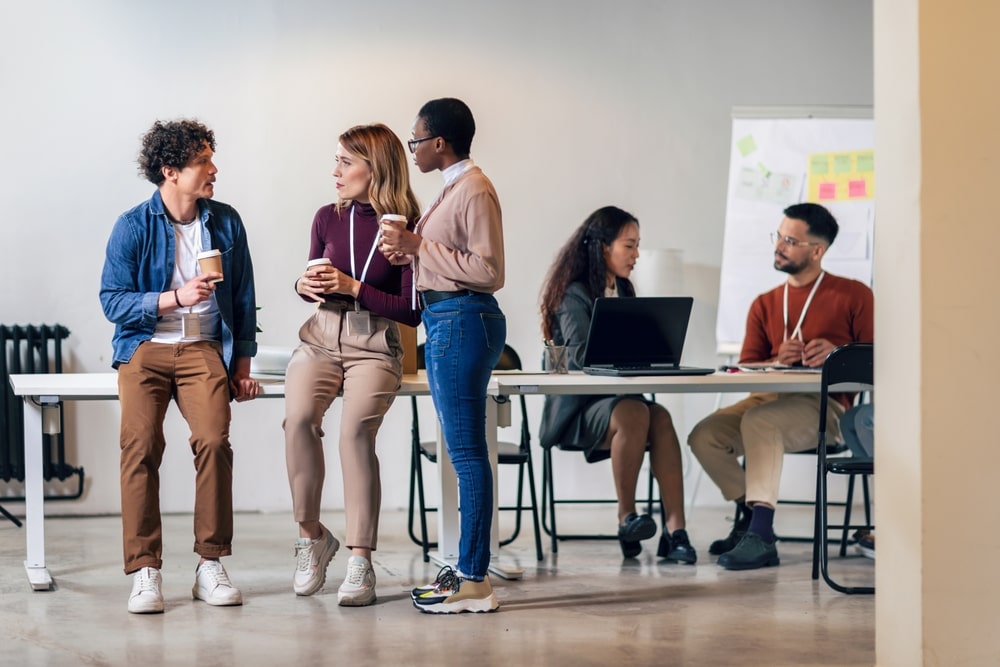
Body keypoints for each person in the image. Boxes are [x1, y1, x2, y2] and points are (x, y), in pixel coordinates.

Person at [100, 119, 259, 613]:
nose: (214, 169)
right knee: (140, 445)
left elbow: (244, 298)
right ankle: (145, 569)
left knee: (214, 440)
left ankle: (209, 563)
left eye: (211, 158)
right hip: (145, 347)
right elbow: (112, 301)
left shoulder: (227, 222)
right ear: (170, 170)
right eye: (203, 162)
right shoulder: (132, 225)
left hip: (204, 349)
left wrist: (242, 366)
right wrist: (174, 298)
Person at [688, 202, 873, 571]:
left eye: (790, 240)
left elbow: (878, 362)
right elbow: (746, 366)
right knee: (704, 435)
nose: (779, 246)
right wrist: (776, 360)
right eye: (779, 236)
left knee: (761, 422)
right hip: (766, 397)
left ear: (817, 251)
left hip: (826, 405)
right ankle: (751, 518)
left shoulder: (854, 296)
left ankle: (762, 536)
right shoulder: (765, 303)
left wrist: (838, 354)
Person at [283, 123, 422, 605]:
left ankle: (360, 561)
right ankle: (312, 537)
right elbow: (308, 277)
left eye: (346, 161)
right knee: (298, 419)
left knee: (354, 434)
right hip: (321, 336)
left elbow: (411, 309)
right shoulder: (325, 217)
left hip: (375, 343)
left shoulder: (405, 224)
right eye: (336, 160)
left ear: (375, 167)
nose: (335, 171)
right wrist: (307, 286)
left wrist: (354, 288)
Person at [379, 97, 505, 614]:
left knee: (467, 454)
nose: (410, 149)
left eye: (415, 140)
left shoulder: (474, 188)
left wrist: (417, 246)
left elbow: (489, 270)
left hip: (462, 320)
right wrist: (409, 252)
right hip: (448, 319)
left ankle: (474, 580)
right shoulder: (452, 188)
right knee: (465, 452)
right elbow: (445, 261)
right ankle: (468, 572)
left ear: (439, 142)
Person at [537, 206, 696, 562]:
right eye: (630, 246)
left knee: (662, 418)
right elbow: (578, 357)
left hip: (622, 401)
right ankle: (627, 517)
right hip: (578, 408)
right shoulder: (574, 294)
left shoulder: (623, 289)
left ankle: (676, 531)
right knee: (635, 413)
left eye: (637, 245)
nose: (637, 255)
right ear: (603, 248)